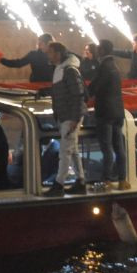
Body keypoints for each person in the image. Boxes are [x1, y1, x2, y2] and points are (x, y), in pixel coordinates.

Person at [44, 42, 87, 196]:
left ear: (58, 53)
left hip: (70, 115)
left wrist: (75, 119)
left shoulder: (68, 70)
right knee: (72, 150)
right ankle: (80, 181)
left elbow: (78, 95)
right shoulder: (62, 69)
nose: (47, 55)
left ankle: (59, 184)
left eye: (50, 52)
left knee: (65, 150)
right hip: (67, 115)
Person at [91, 39, 127, 189]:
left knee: (107, 148)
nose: (96, 50)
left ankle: (106, 180)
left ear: (103, 50)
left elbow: (96, 86)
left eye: (98, 48)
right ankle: (122, 180)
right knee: (119, 147)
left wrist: (85, 94)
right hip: (118, 111)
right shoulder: (114, 66)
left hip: (105, 112)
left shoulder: (104, 66)